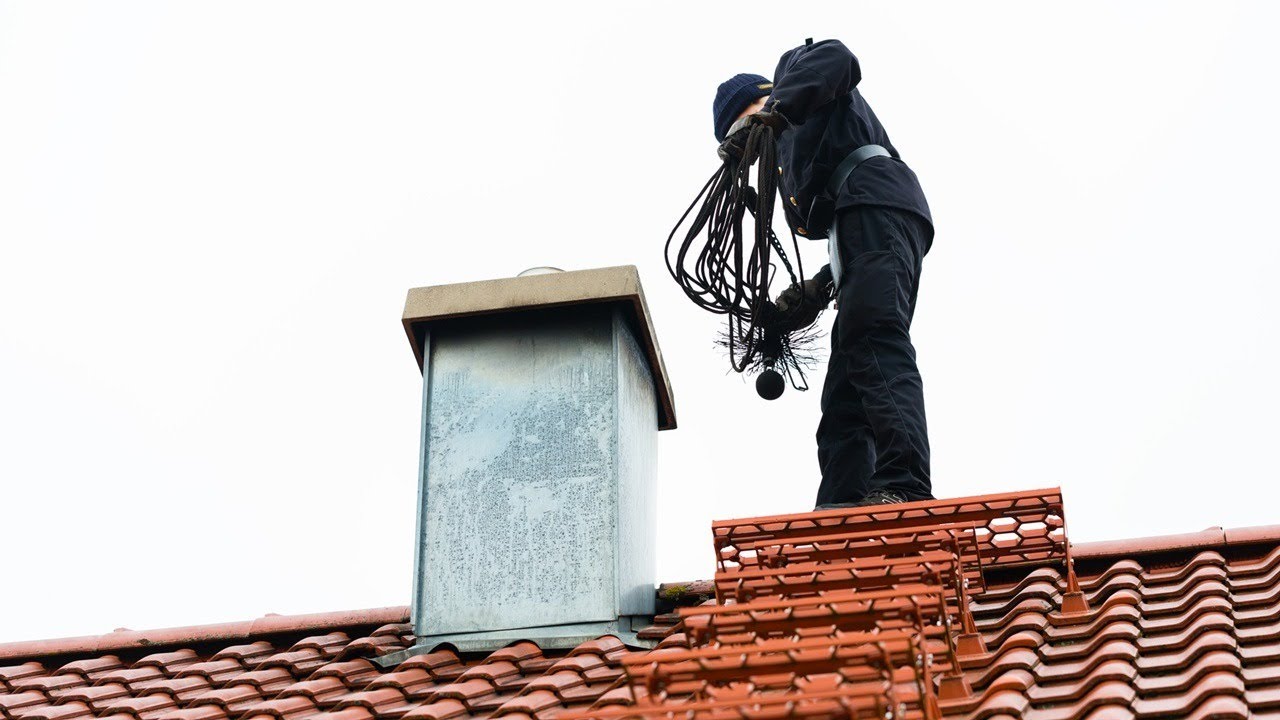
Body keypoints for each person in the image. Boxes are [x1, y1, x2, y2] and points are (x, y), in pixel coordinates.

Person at [712, 39, 935, 509]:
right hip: (861, 223)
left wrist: (773, 111)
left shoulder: (795, 76)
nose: (749, 143)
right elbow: (847, 228)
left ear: (756, 103)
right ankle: (841, 508)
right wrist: (817, 289)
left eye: (741, 126)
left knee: (873, 338)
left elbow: (839, 56)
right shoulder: (793, 164)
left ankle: (905, 485)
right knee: (842, 394)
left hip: (877, 199)